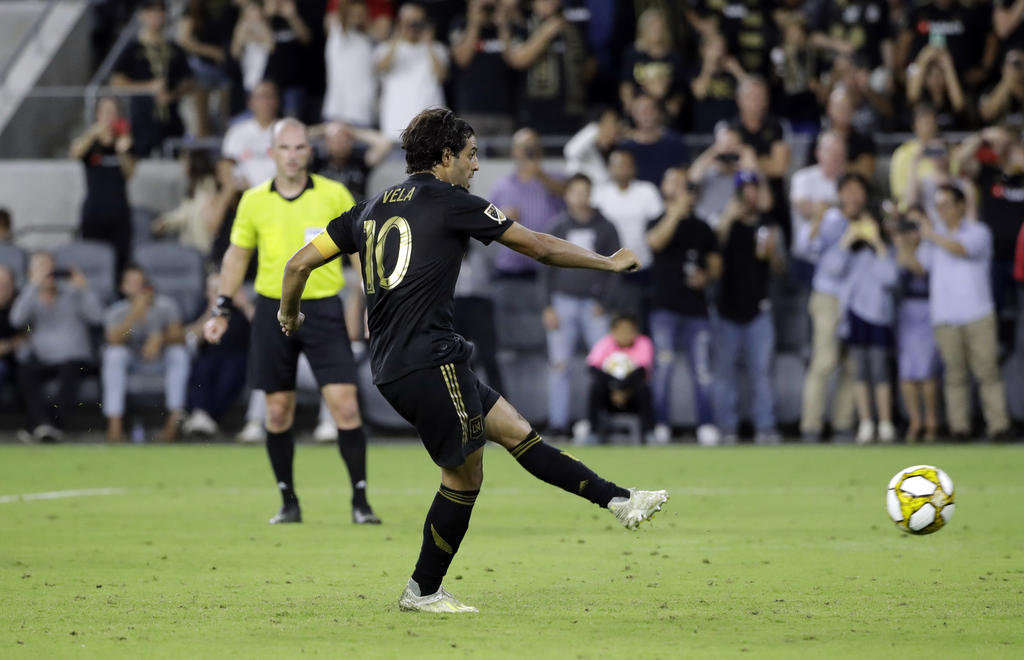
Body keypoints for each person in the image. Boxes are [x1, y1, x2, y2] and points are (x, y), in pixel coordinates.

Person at [278, 107, 667, 613]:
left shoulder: (368, 207)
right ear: (445, 158)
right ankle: (422, 590)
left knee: (516, 432)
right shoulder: (450, 201)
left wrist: (289, 316)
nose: (476, 166)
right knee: (465, 476)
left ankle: (619, 501)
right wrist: (607, 262)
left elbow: (298, 264)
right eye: (471, 154)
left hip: (397, 365)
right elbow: (540, 247)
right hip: (430, 360)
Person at [204, 118, 379, 525]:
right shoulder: (253, 200)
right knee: (277, 410)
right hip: (272, 308)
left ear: (309, 151)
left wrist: (372, 301)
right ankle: (288, 501)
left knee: (345, 405)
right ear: (272, 153)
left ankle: (361, 501)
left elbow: (358, 253)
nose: (294, 155)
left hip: (322, 307)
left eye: (300, 147)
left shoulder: (334, 194)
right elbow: (236, 257)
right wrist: (222, 308)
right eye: (285, 148)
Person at [911, 184, 1011, 440]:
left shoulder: (978, 232)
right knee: (954, 375)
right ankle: (959, 428)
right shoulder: (934, 236)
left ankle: (998, 426)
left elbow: (962, 249)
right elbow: (919, 267)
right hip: (945, 315)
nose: (941, 211)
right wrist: (902, 242)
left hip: (977, 313)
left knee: (987, 371)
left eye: (946, 204)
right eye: (938, 205)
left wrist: (930, 234)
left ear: (961, 205)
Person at [541, 173, 621, 439]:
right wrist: (547, 306)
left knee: (602, 365)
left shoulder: (606, 227)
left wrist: (605, 301)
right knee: (559, 366)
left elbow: (615, 266)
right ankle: (558, 423)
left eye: (585, 191)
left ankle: (601, 423)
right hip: (562, 302)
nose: (580, 196)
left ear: (591, 193)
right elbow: (545, 269)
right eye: (575, 191)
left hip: (594, 305)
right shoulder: (557, 226)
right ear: (567, 195)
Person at [645, 167, 720, 446]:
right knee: (662, 369)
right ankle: (661, 424)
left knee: (702, 371)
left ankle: (707, 425)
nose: (678, 188)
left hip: (696, 309)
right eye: (672, 182)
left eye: (682, 184)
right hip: (664, 307)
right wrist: (676, 211)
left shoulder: (703, 227)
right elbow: (655, 242)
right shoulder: (656, 220)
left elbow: (716, 266)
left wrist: (707, 276)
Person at [713, 174, 785, 445]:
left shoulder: (768, 224)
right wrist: (727, 219)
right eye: (744, 190)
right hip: (726, 308)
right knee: (725, 373)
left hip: (758, 309)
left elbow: (781, 270)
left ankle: (765, 427)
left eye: (754, 189)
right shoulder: (726, 222)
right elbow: (712, 250)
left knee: (761, 372)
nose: (749, 195)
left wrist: (772, 253)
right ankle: (726, 428)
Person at [797, 173, 869, 442]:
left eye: (858, 190)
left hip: (860, 300)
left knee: (852, 365)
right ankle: (811, 426)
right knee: (824, 361)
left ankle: (842, 424)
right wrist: (847, 238)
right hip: (828, 297)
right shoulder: (830, 221)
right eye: (848, 190)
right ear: (839, 194)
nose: (853, 196)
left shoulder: (869, 223)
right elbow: (815, 254)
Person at [818, 213, 899, 444]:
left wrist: (877, 242)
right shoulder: (851, 253)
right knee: (860, 372)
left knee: (880, 370)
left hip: (879, 318)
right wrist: (847, 239)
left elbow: (890, 278)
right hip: (855, 316)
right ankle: (865, 422)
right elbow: (832, 268)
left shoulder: (883, 251)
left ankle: (885, 423)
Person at [9, 255, 101, 441]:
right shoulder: (31, 297)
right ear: (31, 274)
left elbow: (98, 318)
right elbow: (16, 320)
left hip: (76, 359)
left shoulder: (74, 293)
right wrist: (33, 285)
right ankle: (44, 425)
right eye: (42, 269)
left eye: (51, 269)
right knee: (25, 372)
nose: (48, 274)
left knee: (70, 370)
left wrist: (84, 288)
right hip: (46, 360)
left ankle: (49, 425)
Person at [102, 264, 190, 443]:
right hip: (132, 360)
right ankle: (115, 426)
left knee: (179, 353)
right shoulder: (116, 310)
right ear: (123, 287)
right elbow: (114, 340)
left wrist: (160, 339)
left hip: (160, 360)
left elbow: (180, 336)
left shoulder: (165, 305)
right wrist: (134, 314)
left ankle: (173, 424)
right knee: (114, 355)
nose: (138, 286)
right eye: (132, 282)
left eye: (141, 282)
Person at [109, 0, 193, 156]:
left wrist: (172, 95)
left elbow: (188, 81)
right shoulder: (133, 48)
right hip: (142, 117)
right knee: (141, 158)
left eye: (159, 11)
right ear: (142, 16)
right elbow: (117, 81)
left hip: (170, 118)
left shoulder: (174, 48)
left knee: (174, 157)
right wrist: (148, 88)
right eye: (151, 11)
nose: (156, 16)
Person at [488, 128, 565, 279]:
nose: (530, 151)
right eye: (525, 147)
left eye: (534, 146)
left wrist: (539, 173)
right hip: (511, 267)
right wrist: (501, 216)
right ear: (515, 151)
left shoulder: (555, 179)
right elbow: (485, 220)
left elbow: (568, 196)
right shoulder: (502, 186)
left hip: (548, 267)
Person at [69, 96, 135, 274]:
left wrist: (123, 152)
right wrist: (93, 134)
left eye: (112, 112)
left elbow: (130, 173)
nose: (108, 116)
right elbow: (74, 153)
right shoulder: (90, 143)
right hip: (94, 212)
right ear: (98, 115)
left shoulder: (124, 141)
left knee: (121, 264)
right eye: (105, 112)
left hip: (119, 213)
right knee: (91, 259)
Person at [182, 272, 252, 437]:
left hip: (238, 355)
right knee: (203, 370)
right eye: (213, 290)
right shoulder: (203, 306)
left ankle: (208, 418)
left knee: (231, 373)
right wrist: (211, 311)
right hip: (210, 354)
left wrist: (245, 305)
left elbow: (264, 332)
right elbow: (191, 337)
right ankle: (200, 414)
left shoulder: (239, 308)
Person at [505, 0, 590, 135]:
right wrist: (545, 33)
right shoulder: (523, 25)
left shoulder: (571, 28)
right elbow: (517, 59)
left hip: (571, 111)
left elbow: (587, 63)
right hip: (537, 112)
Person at [894, 206, 940, 442]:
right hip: (906, 313)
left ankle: (931, 422)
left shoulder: (931, 247)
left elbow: (922, 270)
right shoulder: (898, 248)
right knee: (907, 371)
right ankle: (915, 421)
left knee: (926, 370)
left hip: (927, 311)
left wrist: (906, 250)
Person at [374, 3, 449, 140]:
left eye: (417, 22)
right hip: (396, 126)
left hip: (430, 130)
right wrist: (398, 35)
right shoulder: (386, 48)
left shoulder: (437, 48)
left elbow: (441, 76)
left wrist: (429, 43)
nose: (413, 26)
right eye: (408, 22)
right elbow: (381, 67)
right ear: (399, 22)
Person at [448, 0, 517, 136]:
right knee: (469, 155)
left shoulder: (509, 26)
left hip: (504, 110)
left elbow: (513, 60)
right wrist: (474, 24)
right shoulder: (461, 24)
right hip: (472, 109)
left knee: (505, 158)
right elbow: (462, 59)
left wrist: (503, 26)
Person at [584, 313, 655, 445]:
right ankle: (593, 433)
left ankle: (649, 433)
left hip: (632, 397)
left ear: (636, 332)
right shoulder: (605, 343)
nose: (625, 334)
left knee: (643, 387)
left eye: (629, 331)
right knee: (596, 387)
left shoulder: (644, 343)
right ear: (613, 332)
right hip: (609, 396)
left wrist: (623, 389)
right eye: (621, 330)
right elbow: (593, 368)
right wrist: (615, 388)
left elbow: (641, 371)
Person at [322, 0, 376, 128]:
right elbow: (341, 15)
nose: (358, 17)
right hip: (339, 114)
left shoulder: (367, 40)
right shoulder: (338, 35)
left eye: (361, 13)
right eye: (354, 13)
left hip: (364, 114)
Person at [618, 94, 690, 188]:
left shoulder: (674, 142)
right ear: (633, 114)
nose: (646, 114)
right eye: (641, 111)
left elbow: (685, 171)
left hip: (668, 197)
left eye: (650, 109)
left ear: (657, 112)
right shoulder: (625, 147)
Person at [314, 121, 393, 202]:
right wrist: (323, 129)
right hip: (327, 208)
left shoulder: (360, 161)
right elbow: (302, 137)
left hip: (355, 210)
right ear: (327, 143)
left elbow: (384, 143)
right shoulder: (318, 162)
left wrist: (352, 131)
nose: (340, 145)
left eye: (345, 140)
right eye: (335, 141)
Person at [222, 81, 279, 188]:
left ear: (277, 101)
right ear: (251, 102)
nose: (266, 102)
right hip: (242, 190)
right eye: (261, 97)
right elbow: (226, 164)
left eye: (270, 96)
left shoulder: (286, 131)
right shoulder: (237, 131)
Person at [563, 106, 622, 188]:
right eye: (610, 122)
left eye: (616, 122)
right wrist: (595, 129)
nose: (616, 127)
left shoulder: (616, 150)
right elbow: (570, 151)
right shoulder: (584, 150)